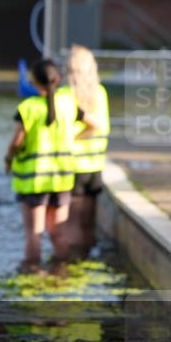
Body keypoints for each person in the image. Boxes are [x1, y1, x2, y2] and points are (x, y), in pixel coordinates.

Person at [4, 59, 103, 274]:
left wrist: (8, 159)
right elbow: (94, 125)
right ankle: (61, 273)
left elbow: (17, 141)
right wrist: (74, 138)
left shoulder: (28, 108)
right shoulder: (68, 104)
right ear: (57, 80)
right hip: (61, 179)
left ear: (33, 81)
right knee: (58, 232)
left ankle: (32, 273)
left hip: (34, 181)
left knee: (35, 233)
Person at [62, 45, 109, 257]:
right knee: (89, 222)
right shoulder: (100, 93)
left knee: (73, 222)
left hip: (74, 166)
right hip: (95, 164)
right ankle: (87, 260)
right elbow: (103, 126)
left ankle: (73, 262)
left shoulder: (65, 95)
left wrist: (73, 138)